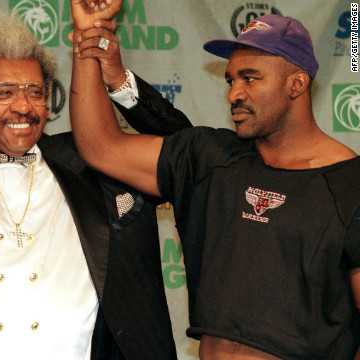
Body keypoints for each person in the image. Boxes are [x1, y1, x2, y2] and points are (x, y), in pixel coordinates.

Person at [0, 6, 192, 360]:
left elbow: (194, 159)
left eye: (36, 92)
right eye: (3, 92)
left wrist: (118, 80)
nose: (23, 106)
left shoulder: (94, 167)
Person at [70, 2, 360, 359]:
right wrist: (89, 35)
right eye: (231, 80)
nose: (234, 93)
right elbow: (100, 146)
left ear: (296, 84)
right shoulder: (210, 158)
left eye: (250, 77)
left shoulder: (350, 185)